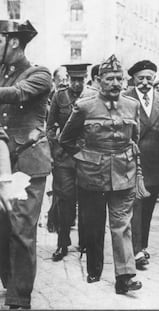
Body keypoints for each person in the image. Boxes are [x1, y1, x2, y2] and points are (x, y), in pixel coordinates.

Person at [59, 54, 148, 294]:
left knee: (121, 225)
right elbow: (65, 139)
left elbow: (134, 138)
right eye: (110, 79)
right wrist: (83, 157)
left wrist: (131, 161)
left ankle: (125, 277)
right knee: (93, 224)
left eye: (120, 79)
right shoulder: (85, 105)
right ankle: (94, 269)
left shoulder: (132, 105)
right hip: (92, 174)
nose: (116, 83)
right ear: (99, 80)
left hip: (123, 172)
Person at [0, 20, 53, 309]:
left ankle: (19, 299)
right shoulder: (1, 74)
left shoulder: (39, 74)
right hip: (3, 164)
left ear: (14, 42)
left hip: (28, 162)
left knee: (21, 228)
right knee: (2, 227)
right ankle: (11, 284)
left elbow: (18, 94)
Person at [124, 60, 159, 269]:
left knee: (148, 210)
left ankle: (142, 246)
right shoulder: (125, 98)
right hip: (133, 163)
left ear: (154, 79)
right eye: (140, 79)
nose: (145, 83)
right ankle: (135, 251)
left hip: (155, 164)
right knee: (135, 207)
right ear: (133, 80)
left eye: (149, 78)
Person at [46, 63, 91, 261]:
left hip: (86, 156)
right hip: (64, 157)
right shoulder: (59, 96)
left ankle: (85, 242)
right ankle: (62, 243)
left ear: (85, 79)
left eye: (80, 80)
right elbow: (49, 127)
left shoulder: (92, 96)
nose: (76, 84)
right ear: (69, 79)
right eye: (73, 80)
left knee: (87, 200)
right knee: (65, 200)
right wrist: (54, 148)